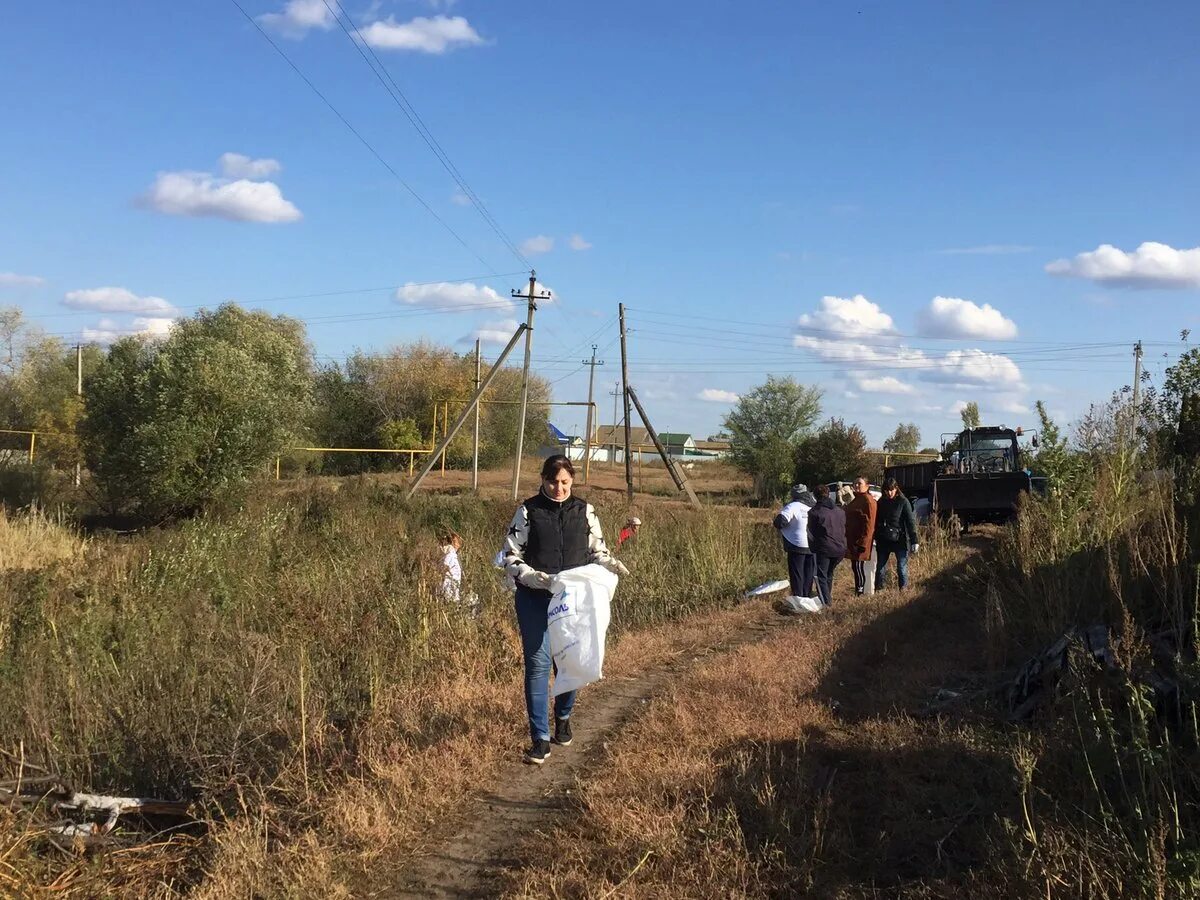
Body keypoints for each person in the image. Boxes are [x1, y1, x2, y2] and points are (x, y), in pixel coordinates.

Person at [500, 455, 629, 765]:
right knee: (538, 663)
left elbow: (598, 551)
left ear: (572, 481)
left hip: (572, 602)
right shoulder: (528, 511)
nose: (558, 488)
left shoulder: (585, 512)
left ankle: (564, 716)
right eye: (552, 482)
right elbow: (509, 555)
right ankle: (540, 739)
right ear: (543, 479)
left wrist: (609, 563)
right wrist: (530, 575)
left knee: (570, 661)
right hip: (534, 598)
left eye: (564, 483)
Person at [773, 484, 817, 610]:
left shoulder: (791, 507)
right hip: (811, 544)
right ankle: (807, 597)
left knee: (797, 573)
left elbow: (779, 522)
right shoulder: (812, 506)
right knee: (808, 573)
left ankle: (798, 599)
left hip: (796, 544)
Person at [874, 477, 919, 592]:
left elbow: (910, 521)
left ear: (896, 489)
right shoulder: (881, 502)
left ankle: (903, 589)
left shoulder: (903, 502)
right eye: (887, 490)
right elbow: (876, 521)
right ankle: (880, 590)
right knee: (880, 568)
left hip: (900, 539)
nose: (889, 493)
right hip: (883, 539)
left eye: (892, 490)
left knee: (901, 567)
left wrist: (914, 540)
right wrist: (874, 537)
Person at [807, 484, 846, 607]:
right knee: (829, 574)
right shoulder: (840, 511)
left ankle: (826, 603)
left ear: (814, 496)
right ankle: (827, 598)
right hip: (840, 548)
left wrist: (813, 548)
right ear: (829, 494)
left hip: (824, 548)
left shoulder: (814, 512)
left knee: (820, 576)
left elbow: (811, 533)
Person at [843, 475, 878, 596]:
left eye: (859, 483)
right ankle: (858, 589)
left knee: (859, 567)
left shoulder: (867, 500)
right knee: (855, 567)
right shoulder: (857, 499)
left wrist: (863, 542)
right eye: (855, 483)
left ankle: (860, 591)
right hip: (852, 539)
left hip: (860, 541)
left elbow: (870, 523)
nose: (857, 485)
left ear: (867, 486)